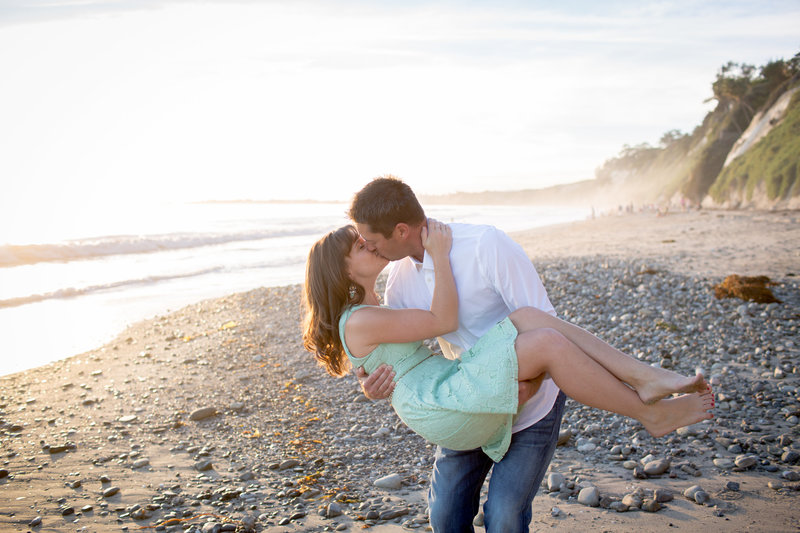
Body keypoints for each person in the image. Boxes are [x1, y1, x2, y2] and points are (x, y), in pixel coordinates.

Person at [303, 220, 714, 531]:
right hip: (444, 400)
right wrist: (441, 257)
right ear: (342, 270)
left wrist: (370, 378)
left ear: (402, 229)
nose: (369, 245)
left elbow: (380, 358)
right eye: (359, 245)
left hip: (454, 387)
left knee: (532, 320)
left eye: (368, 238)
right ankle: (649, 409)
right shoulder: (367, 314)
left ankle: (644, 381)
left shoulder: (397, 293)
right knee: (447, 516)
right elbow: (439, 319)